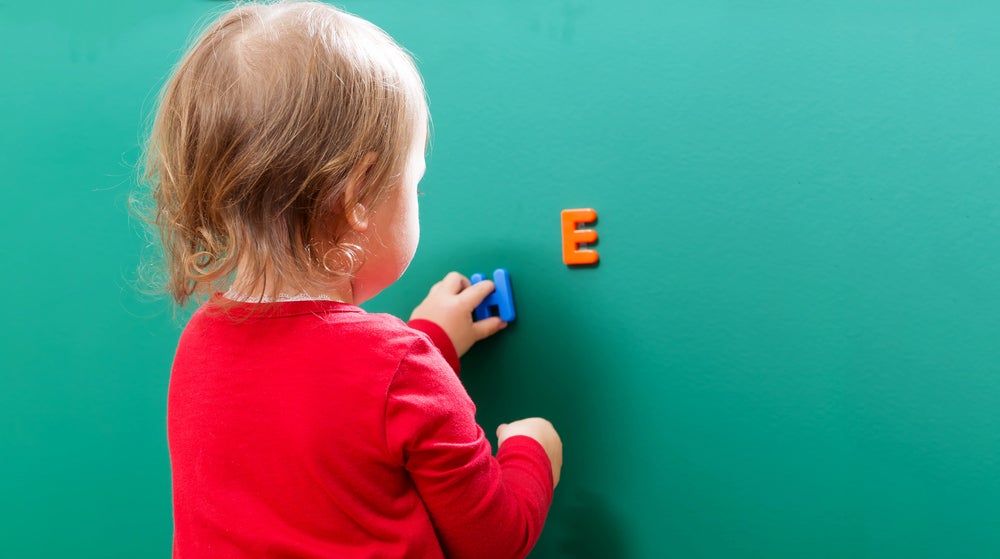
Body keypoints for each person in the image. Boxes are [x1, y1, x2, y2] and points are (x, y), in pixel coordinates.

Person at [138, 1, 562, 558]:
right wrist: (533, 451)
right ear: (358, 195)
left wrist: (430, 340)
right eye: (415, 184)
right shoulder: (401, 368)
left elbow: (334, 405)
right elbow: (495, 539)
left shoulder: (202, 343)